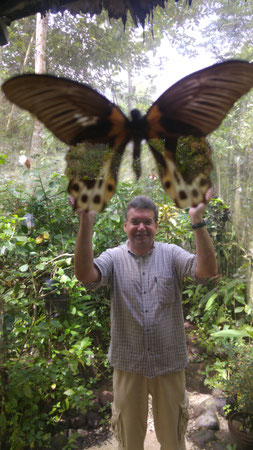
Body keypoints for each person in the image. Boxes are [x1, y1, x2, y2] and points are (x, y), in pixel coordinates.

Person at [74, 192, 217, 450]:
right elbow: (85, 275)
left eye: (147, 222)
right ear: (126, 226)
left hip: (169, 363)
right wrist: (86, 223)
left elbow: (206, 271)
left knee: (173, 439)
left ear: (156, 226)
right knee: (129, 441)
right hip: (129, 364)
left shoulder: (171, 254)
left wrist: (196, 219)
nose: (141, 227)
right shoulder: (114, 258)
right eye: (135, 222)